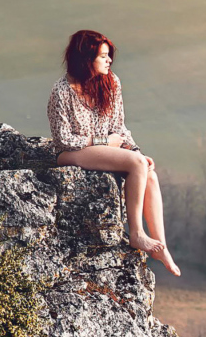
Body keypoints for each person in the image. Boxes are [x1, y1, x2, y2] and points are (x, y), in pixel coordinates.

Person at [48, 29, 180, 276]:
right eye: (103, 56)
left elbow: (119, 128)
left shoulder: (112, 83)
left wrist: (135, 151)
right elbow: (63, 139)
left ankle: (161, 246)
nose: (109, 61)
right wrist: (103, 141)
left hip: (103, 149)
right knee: (137, 164)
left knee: (149, 172)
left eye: (109, 56)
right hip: (71, 153)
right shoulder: (61, 91)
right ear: (86, 59)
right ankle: (137, 234)